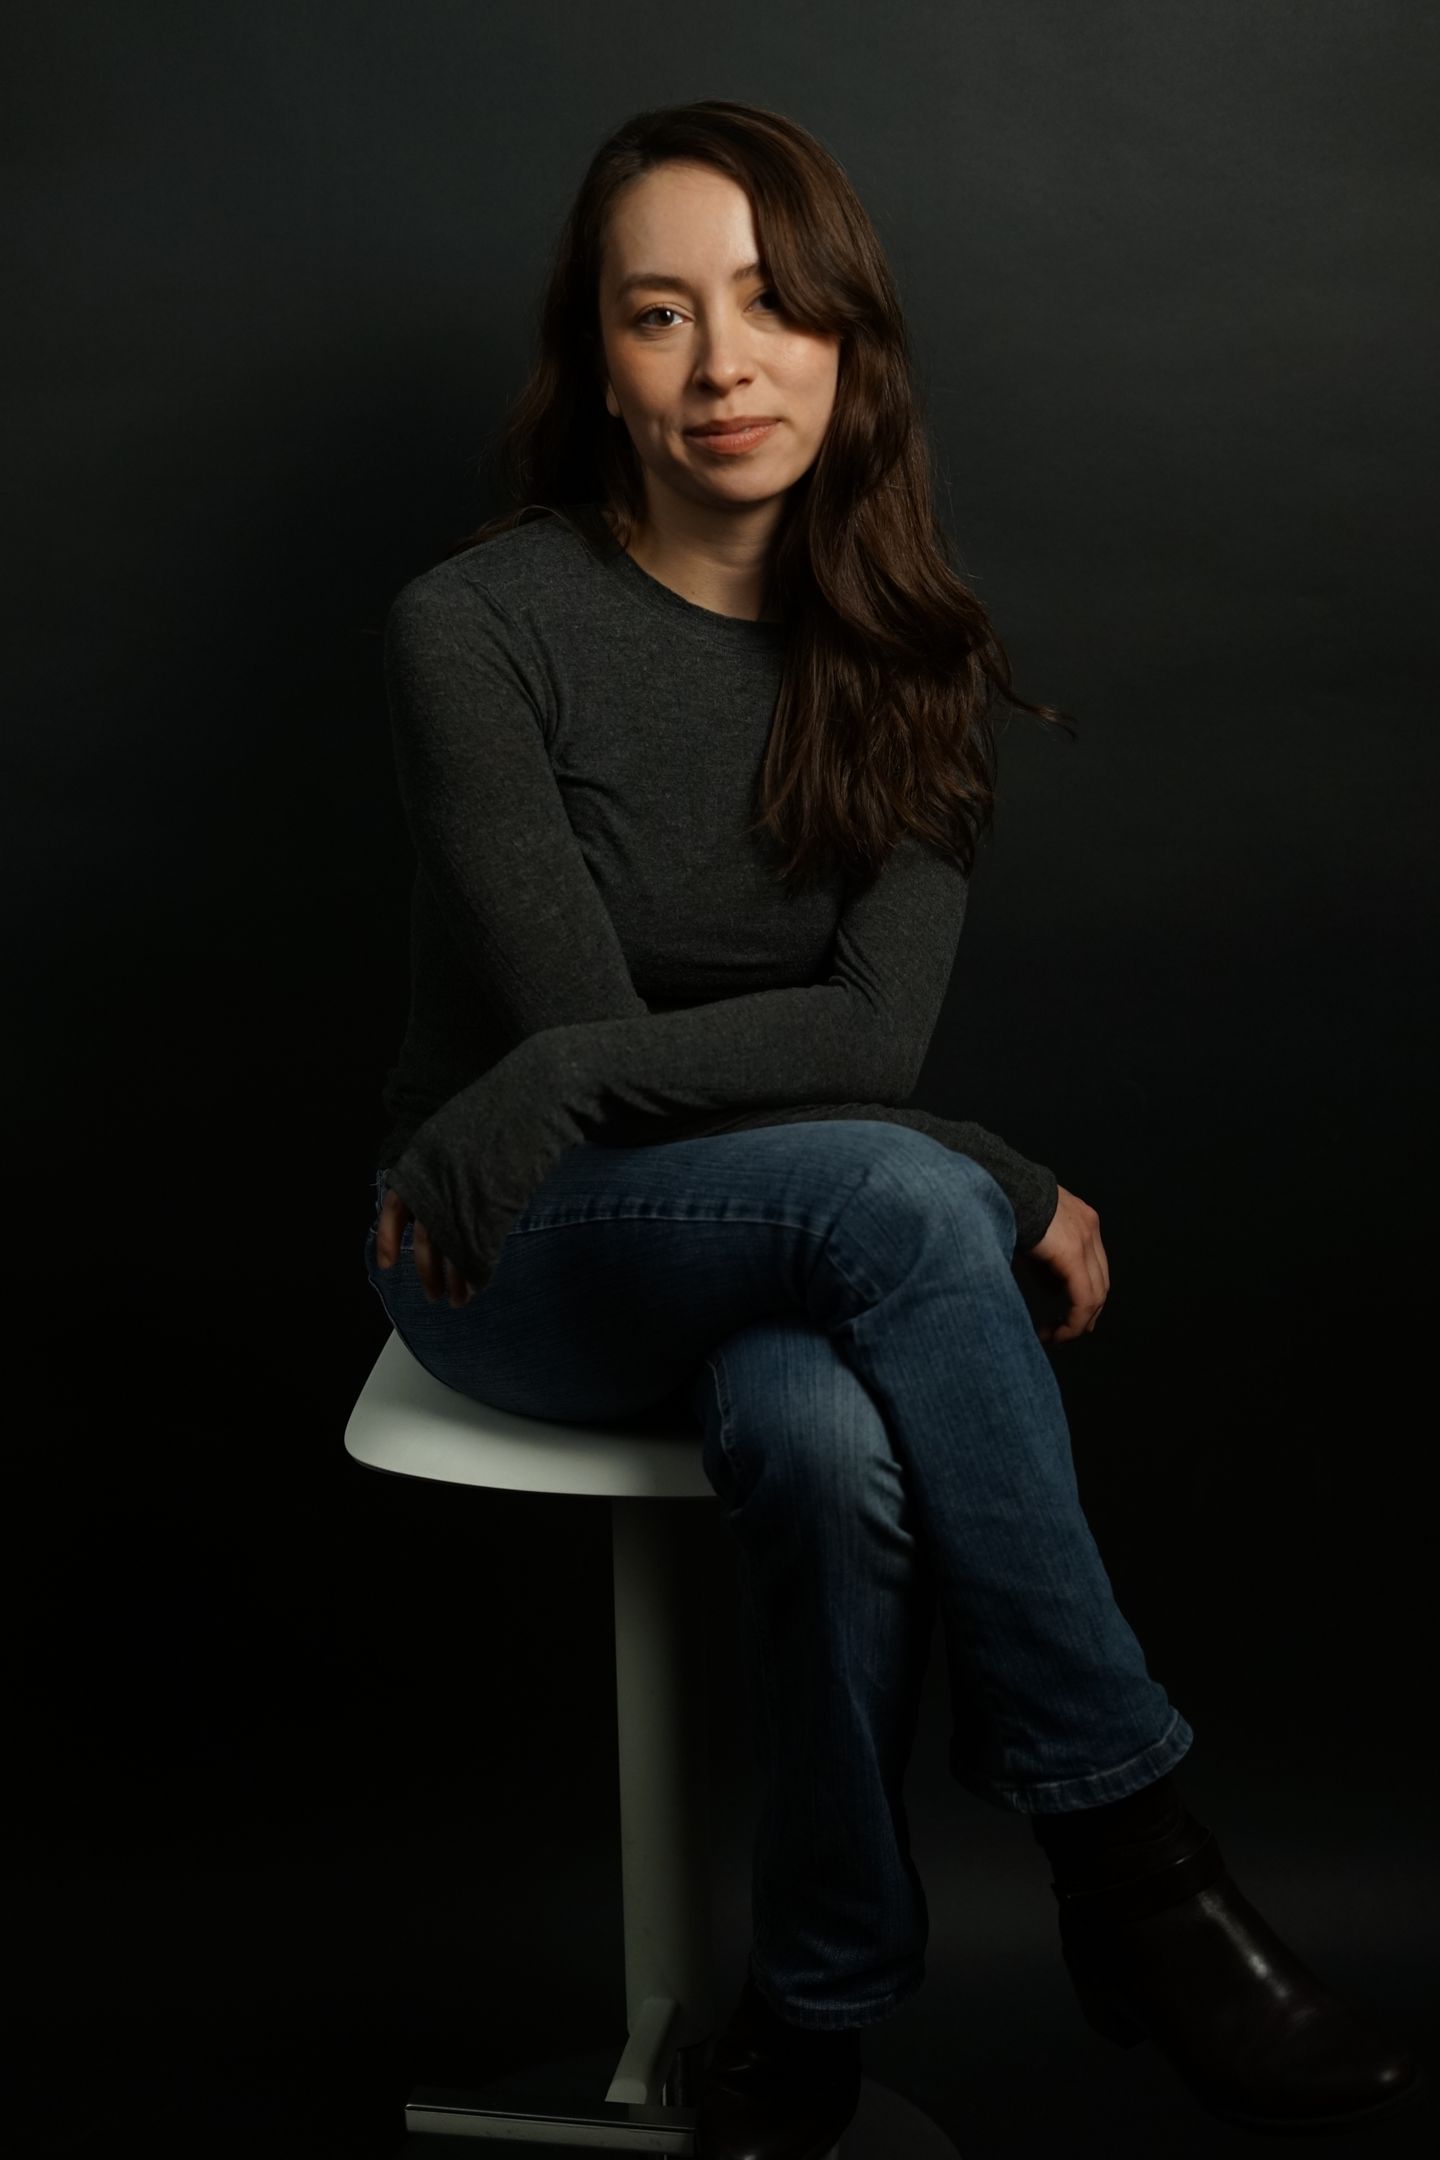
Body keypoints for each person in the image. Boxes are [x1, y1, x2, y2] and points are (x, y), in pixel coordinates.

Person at [363, 99, 1424, 2156]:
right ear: (600, 365)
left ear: (850, 341)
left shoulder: (918, 663)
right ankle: (1134, 1859)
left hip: (781, 1218)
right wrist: (990, 1171)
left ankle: (815, 2008)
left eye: (771, 304)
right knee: (901, 1196)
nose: (722, 364)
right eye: (658, 315)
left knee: (825, 1432)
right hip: (516, 1237)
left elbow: (868, 1031)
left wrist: (604, 1075)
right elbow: (591, 1051)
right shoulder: (475, 627)